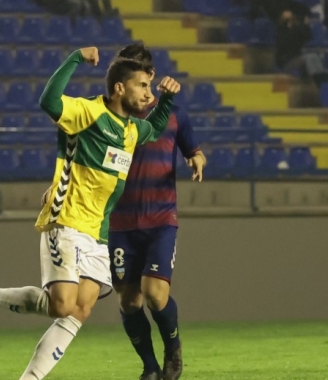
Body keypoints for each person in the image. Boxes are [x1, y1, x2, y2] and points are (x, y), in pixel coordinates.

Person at [0, 46, 180, 380]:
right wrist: (76, 58)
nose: (148, 93)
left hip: (98, 233)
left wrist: (165, 99)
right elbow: (49, 101)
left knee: (79, 309)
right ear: (119, 88)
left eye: (149, 87)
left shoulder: (130, 130)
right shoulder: (88, 112)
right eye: (142, 86)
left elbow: (153, 129)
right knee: (61, 305)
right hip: (66, 219)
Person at [105, 44, 206, 380]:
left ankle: (173, 352)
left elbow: (193, 148)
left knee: (154, 293)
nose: (147, 87)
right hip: (120, 223)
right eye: (142, 81)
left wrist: (196, 159)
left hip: (161, 219)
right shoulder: (112, 117)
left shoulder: (174, 113)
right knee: (129, 302)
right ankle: (149, 367)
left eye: (149, 79)